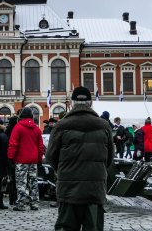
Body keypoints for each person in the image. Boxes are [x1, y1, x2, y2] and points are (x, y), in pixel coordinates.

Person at [46, 86, 114, 231]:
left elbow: (51, 156)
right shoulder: (104, 125)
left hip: (68, 189)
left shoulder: (61, 125)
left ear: (72, 103)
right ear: (91, 103)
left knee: (66, 227)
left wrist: (63, 169)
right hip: (94, 189)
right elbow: (110, 158)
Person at [7, 107, 45, 212]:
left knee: (21, 183)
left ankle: (21, 204)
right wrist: (39, 159)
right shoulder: (36, 129)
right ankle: (34, 203)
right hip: (33, 160)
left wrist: (10, 157)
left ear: (21, 117)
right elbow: (40, 147)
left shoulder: (18, 127)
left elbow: (13, 144)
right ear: (32, 117)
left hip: (21, 160)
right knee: (33, 182)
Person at [4, 115, 19, 206]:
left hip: (9, 157)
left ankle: (11, 198)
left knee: (11, 178)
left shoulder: (7, 130)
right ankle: (15, 198)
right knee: (16, 179)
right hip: (15, 156)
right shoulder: (16, 129)